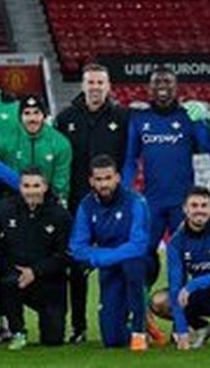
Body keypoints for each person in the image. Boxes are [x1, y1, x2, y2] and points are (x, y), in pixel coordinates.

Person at [122, 65, 210, 339]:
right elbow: (130, 160)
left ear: (177, 88)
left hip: (182, 207)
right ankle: (140, 319)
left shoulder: (187, 117)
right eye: (156, 83)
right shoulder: (140, 120)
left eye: (167, 82)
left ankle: (186, 324)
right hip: (151, 204)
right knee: (140, 259)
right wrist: (126, 192)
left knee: (184, 264)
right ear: (148, 89)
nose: (162, 87)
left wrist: (203, 121)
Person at [55, 62, 129, 344]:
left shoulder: (123, 117)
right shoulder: (66, 118)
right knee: (77, 266)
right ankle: (79, 326)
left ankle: (125, 318)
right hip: (78, 204)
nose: (95, 87)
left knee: (122, 262)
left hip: (115, 204)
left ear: (108, 86)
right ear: (83, 85)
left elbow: (129, 156)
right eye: (91, 82)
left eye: (100, 82)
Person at [0, 167, 70, 349]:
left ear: (45, 187)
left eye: (36, 186)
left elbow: (64, 256)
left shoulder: (60, 215)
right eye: (26, 186)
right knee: (8, 281)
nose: (31, 191)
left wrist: (35, 272)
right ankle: (17, 331)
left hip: (49, 281)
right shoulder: (4, 208)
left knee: (53, 340)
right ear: (20, 188)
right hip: (16, 280)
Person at [68, 154, 151, 350]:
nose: (104, 184)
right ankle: (142, 324)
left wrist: (99, 258)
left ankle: (139, 328)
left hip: (137, 264)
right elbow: (77, 248)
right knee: (112, 341)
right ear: (91, 181)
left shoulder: (136, 202)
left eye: (108, 178)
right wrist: (104, 259)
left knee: (133, 265)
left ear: (117, 178)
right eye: (98, 179)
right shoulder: (86, 205)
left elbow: (139, 245)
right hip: (110, 268)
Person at [149, 186, 210, 351]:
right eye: (194, 206)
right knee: (158, 302)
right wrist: (181, 331)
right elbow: (175, 286)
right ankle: (202, 328)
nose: (199, 210)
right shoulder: (176, 241)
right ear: (185, 209)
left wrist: (191, 286)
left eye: (204, 206)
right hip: (201, 295)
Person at [0, 95, 72, 203]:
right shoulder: (4, 140)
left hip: (46, 202)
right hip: (13, 201)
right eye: (27, 113)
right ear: (20, 117)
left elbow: (61, 182)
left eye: (36, 113)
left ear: (44, 116)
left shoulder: (60, 143)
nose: (32, 119)